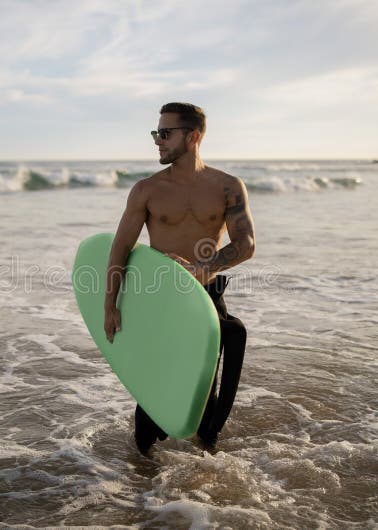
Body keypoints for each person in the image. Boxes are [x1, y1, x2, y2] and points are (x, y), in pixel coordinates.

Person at [103, 102, 256, 455]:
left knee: (204, 401)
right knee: (152, 400)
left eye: (165, 133)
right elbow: (120, 248)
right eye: (156, 132)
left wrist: (204, 269)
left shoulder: (228, 186)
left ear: (194, 137)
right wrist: (110, 305)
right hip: (162, 302)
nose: (157, 140)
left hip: (206, 300)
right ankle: (142, 486)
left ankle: (204, 486)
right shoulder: (146, 190)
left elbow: (245, 243)